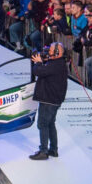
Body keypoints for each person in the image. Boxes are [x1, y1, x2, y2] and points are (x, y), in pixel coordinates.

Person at [31, 31, 70, 159]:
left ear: (57, 53)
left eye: (51, 50)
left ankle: (43, 151)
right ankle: (53, 150)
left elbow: (38, 71)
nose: (48, 52)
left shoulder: (55, 65)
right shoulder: (58, 63)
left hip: (49, 99)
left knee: (42, 124)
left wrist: (38, 62)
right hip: (54, 99)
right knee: (50, 123)